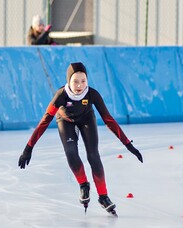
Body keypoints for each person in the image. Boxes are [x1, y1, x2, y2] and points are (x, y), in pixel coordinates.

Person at [18, 62, 143, 216]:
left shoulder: (92, 94)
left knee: (93, 156)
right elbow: (45, 121)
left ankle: (103, 197)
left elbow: (109, 120)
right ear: (68, 82)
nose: (79, 85)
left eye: (83, 81)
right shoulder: (61, 96)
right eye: (75, 81)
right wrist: (28, 148)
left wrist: (128, 144)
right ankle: (84, 185)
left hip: (86, 119)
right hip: (65, 121)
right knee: (71, 152)